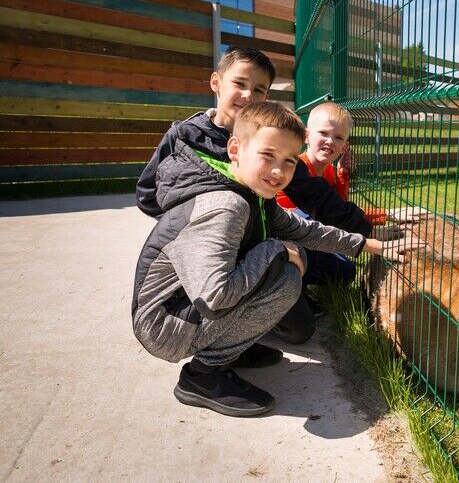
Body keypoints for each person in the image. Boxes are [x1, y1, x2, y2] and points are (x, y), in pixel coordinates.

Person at [131, 102, 422, 417]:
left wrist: (373, 246)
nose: (278, 171)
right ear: (234, 149)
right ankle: (202, 376)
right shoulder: (226, 206)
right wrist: (275, 249)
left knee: (285, 269)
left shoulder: (251, 193)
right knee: (284, 275)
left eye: (288, 161)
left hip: (182, 308)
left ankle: (228, 349)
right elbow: (214, 299)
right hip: (164, 327)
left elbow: (306, 230)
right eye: (267, 155)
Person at [134, 45, 370, 350]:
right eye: (240, 84)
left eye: (259, 89)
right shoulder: (184, 136)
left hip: (254, 245)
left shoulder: (269, 140)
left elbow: (308, 204)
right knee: (243, 294)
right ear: (216, 82)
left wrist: (366, 235)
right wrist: (190, 228)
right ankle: (214, 354)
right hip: (217, 252)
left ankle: (240, 332)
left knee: (302, 322)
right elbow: (147, 193)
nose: (248, 95)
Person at [276, 102, 428, 312]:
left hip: (314, 239)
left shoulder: (327, 170)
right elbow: (329, 212)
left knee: (346, 272)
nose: (330, 141)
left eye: (339, 138)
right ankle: (292, 293)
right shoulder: (298, 168)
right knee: (305, 220)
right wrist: (382, 219)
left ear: (345, 146)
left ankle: (307, 283)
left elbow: (338, 207)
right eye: (323, 133)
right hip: (288, 239)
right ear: (306, 136)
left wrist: (342, 176)